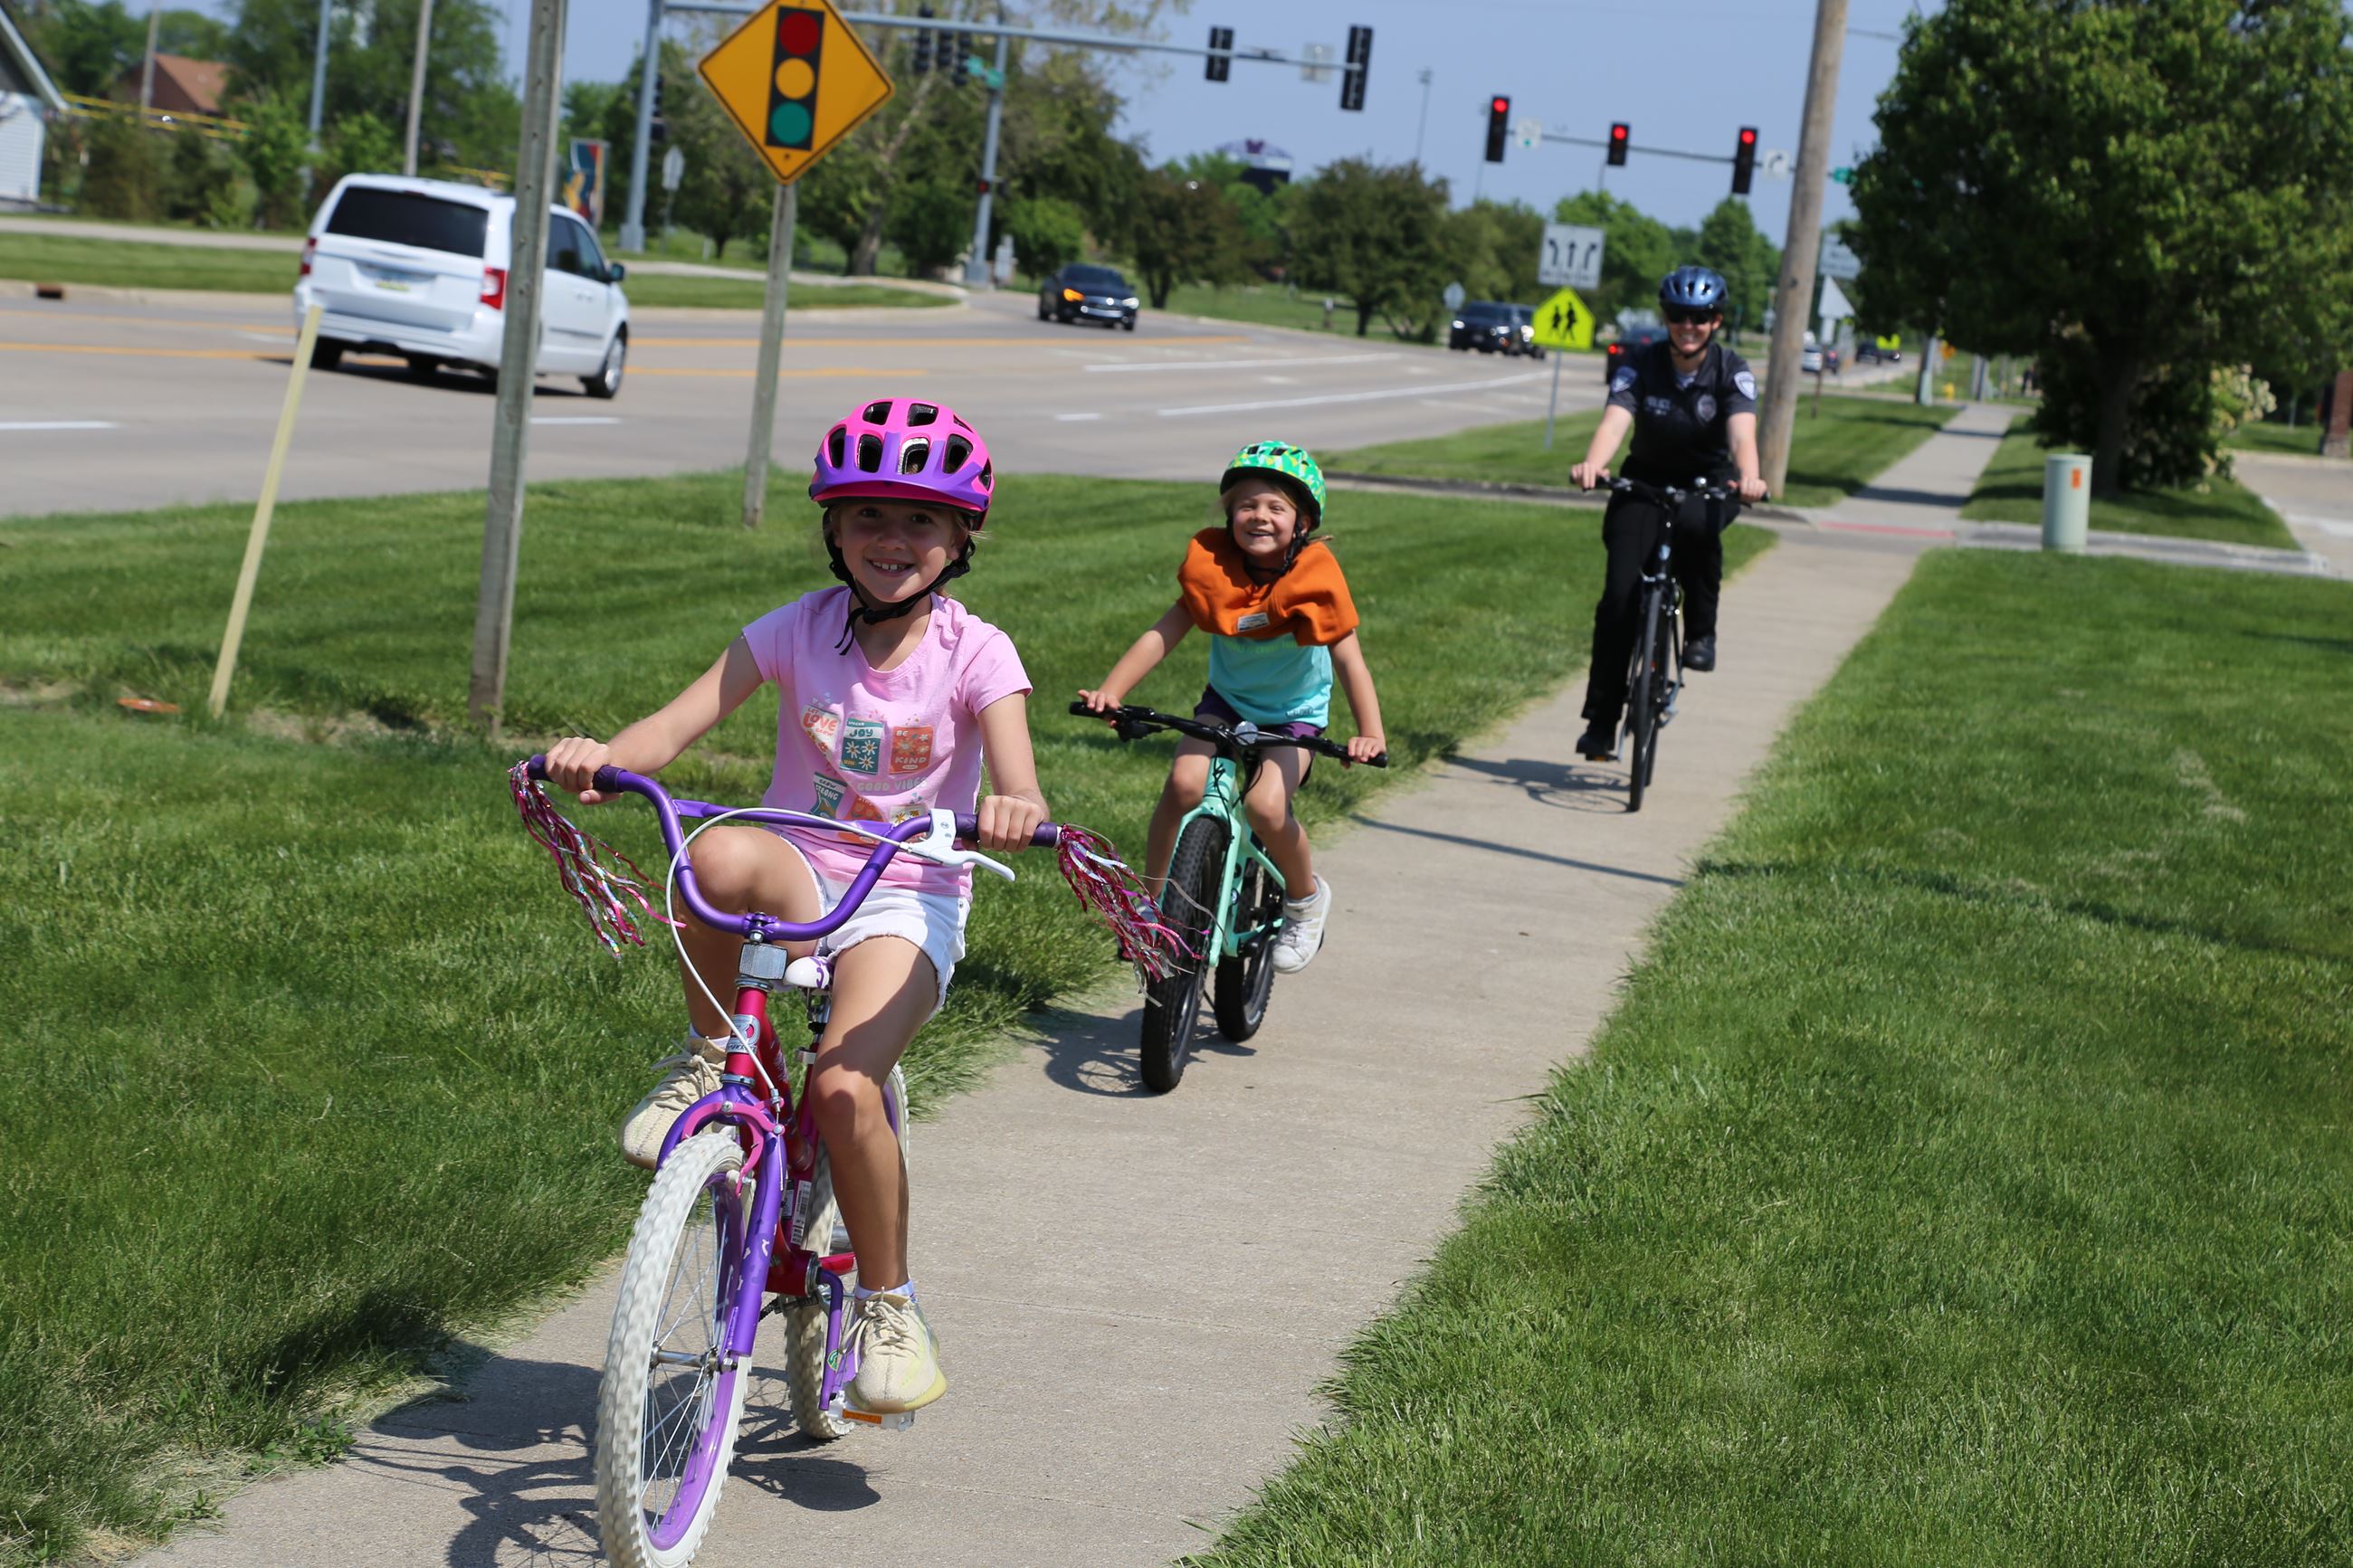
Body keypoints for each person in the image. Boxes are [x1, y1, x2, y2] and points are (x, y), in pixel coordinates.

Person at [543, 398, 1048, 1416]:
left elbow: (1017, 771)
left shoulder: (976, 651)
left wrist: (1015, 804)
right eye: (866, 517)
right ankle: (709, 1055)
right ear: (831, 530)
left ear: (960, 540)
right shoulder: (793, 629)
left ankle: (889, 1302)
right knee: (716, 851)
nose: (891, 540)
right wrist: (602, 759)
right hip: (798, 867)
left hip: (904, 889)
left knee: (845, 1087)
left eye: (919, 521)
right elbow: (672, 725)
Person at [1076, 440, 1386, 974]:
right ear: (1228, 514)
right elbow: (1162, 634)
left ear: (1303, 523)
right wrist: (1112, 690)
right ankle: (1149, 908)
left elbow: (1351, 663)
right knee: (1182, 785)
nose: (1258, 516)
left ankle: (1305, 901)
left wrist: (1370, 733)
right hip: (1226, 704)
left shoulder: (1315, 580)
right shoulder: (1214, 569)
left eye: (1275, 507)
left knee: (1266, 807)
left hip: (1295, 715)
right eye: (1246, 505)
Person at [1567, 265, 1770, 762]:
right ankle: (1601, 721)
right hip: (1644, 482)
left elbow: (1742, 435)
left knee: (1701, 528)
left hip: (1707, 483)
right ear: (1666, 318)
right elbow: (1616, 421)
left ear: (1716, 321)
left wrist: (1751, 477)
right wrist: (1595, 465)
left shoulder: (1730, 369)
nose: (1689, 325)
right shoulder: (1641, 363)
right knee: (1618, 598)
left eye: (1700, 317)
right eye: (1679, 315)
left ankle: (1701, 632)